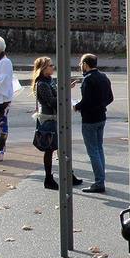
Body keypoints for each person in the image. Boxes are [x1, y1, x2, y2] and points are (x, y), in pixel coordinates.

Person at [32, 56, 82, 190]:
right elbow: (52, 101)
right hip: (49, 120)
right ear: (43, 69)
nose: (52, 67)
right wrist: (65, 92)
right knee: (50, 149)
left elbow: (56, 96)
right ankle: (48, 178)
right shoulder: (42, 83)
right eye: (50, 65)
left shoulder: (49, 80)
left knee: (62, 148)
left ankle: (68, 175)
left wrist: (65, 89)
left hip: (54, 118)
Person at [73, 53, 113, 194]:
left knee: (93, 151)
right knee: (99, 148)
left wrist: (77, 107)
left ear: (85, 64)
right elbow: (110, 97)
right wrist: (101, 105)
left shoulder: (88, 80)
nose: (80, 67)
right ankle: (101, 178)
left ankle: (99, 181)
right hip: (101, 116)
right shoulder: (103, 77)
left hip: (90, 119)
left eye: (81, 64)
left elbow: (86, 101)